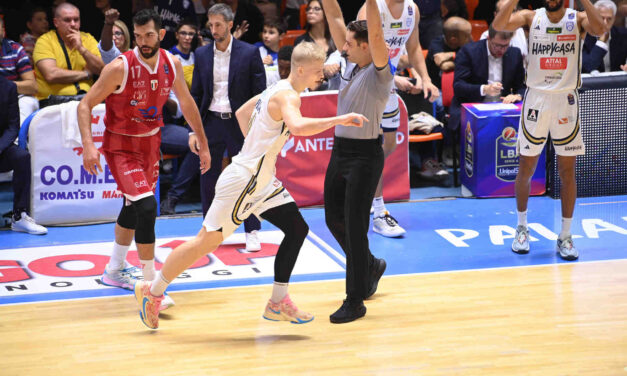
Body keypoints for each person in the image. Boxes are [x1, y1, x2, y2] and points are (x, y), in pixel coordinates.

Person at [133, 41, 367, 330]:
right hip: (245, 180)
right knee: (205, 242)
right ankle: (152, 291)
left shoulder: (277, 88)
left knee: (297, 228)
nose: (322, 76)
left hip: (261, 180)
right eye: (318, 71)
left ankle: (278, 301)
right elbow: (297, 127)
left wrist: (258, 151)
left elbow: (243, 113)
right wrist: (340, 119)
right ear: (302, 69)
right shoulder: (289, 98)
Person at [77, 9, 211, 310]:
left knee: (133, 206)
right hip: (121, 147)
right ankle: (152, 286)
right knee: (148, 207)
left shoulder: (171, 63)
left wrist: (202, 141)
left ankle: (114, 270)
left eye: (149, 35)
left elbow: (187, 103)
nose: (143, 42)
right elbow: (85, 105)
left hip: (151, 143)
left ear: (161, 34)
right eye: (138, 37)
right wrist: (89, 145)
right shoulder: (120, 67)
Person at [493, 0, 606, 260]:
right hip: (536, 99)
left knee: (568, 171)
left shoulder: (577, 19)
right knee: (526, 167)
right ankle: (521, 229)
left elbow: (599, 28)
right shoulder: (531, 17)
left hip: (565, 100)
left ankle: (565, 235)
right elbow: (499, 24)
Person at [321, 0, 391, 323]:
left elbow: (377, 33)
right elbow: (334, 15)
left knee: (355, 225)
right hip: (340, 151)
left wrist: (373, 3)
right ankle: (370, 265)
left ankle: (355, 300)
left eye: (350, 43)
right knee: (332, 218)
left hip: (365, 157)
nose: (343, 47)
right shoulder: (350, 63)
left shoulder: (380, 72)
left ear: (366, 47)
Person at [357, 0, 439, 238]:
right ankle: (379, 212)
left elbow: (413, 49)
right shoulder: (372, 7)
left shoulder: (412, 10)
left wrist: (425, 78)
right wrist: (392, 79)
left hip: (387, 82)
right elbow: (361, 53)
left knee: (389, 144)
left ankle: (364, 184)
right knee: (371, 148)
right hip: (365, 81)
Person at [190, 3, 266, 251]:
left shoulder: (249, 52)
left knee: (247, 177)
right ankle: (209, 231)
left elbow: (260, 94)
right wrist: (193, 130)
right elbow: (196, 94)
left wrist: (258, 128)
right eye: (210, 25)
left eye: (218, 24)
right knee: (208, 178)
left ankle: (252, 229)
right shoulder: (201, 55)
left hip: (239, 123)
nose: (213, 29)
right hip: (211, 121)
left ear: (230, 24)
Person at [450, 25, 526, 132]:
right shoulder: (469, 51)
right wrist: (484, 89)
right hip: (474, 106)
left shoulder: (514, 53)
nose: (501, 50)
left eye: (506, 46)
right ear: (488, 38)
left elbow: (521, 86)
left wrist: (517, 96)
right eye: (497, 46)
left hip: (503, 109)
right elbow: (458, 86)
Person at [0, 75, 47, 235]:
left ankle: (20, 216)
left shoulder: (9, 87)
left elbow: (13, 127)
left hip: (1, 147)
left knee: (22, 157)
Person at [33, 3, 104, 106]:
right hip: (53, 102)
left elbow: (103, 69)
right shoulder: (44, 41)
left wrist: (81, 49)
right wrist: (86, 74)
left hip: (87, 99)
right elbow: (51, 74)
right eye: (67, 20)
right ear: (56, 22)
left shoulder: (88, 39)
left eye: (76, 20)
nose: (73, 24)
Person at [0, 17, 39, 125]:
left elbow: (32, 86)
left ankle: (17, 141)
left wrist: (4, 86)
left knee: (27, 103)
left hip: (12, 98)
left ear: (3, 31)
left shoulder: (15, 50)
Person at [295, 0, 343, 88]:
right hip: (311, 87)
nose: (310, 11)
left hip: (338, 86)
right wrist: (323, 69)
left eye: (316, 9)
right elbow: (299, 69)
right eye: (308, 9)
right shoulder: (301, 41)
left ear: (326, 12)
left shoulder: (336, 38)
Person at [582, 0, 627, 73]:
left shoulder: (623, 35)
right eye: (601, 18)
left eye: (609, 19)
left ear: (614, 20)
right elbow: (587, 68)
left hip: (617, 82)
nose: (605, 23)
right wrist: (601, 42)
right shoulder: (583, 37)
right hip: (593, 82)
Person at [479, 0, 528, 66]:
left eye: (512, 11)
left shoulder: (523, 33)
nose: (508, 16)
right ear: (495, 15)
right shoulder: (486, 36)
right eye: (503, 13)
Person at [255, 20, 285, 87]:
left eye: (271, 33)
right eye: (264, 31)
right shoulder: (256, 48)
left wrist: (272, 65)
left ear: (281, 36)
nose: (266, 36)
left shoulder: (283, 55)